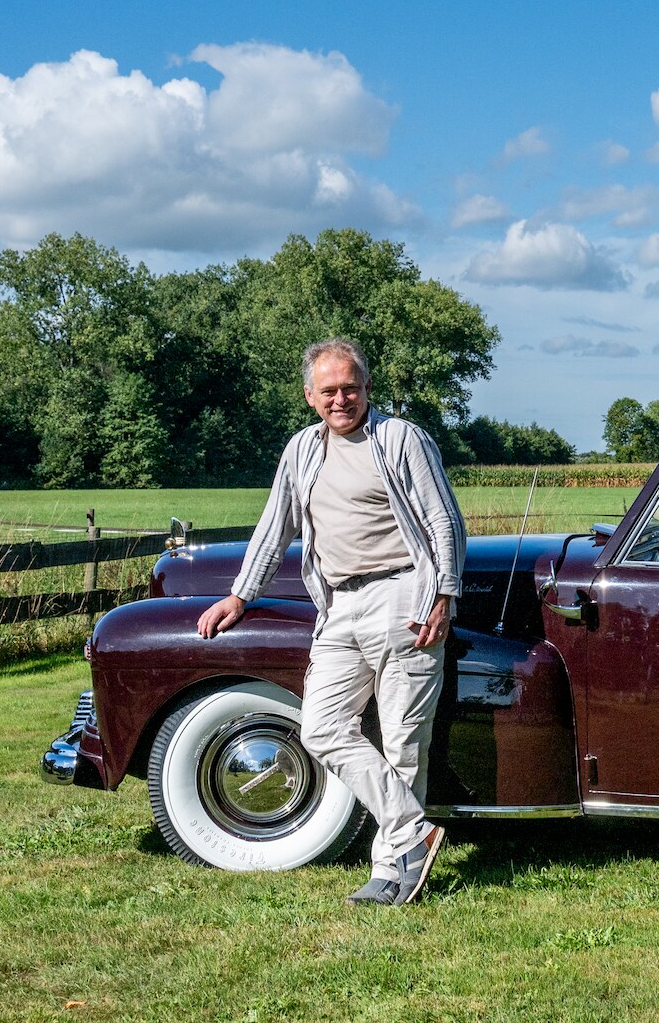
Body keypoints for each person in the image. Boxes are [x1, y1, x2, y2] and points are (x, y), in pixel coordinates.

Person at [196, 337, 464, 906]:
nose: (341, 399)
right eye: (329, 391)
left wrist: (442, 593)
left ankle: (393, 873)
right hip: (337, 606)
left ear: (367, 388)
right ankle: (414, 830)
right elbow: (276, 527)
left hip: (402, 597)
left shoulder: (400, 438)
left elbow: (444, 521)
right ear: (309, 396)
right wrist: (240, 596)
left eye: (351, 388)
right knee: (321, 729)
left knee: (401, 743)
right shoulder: (302, 450)